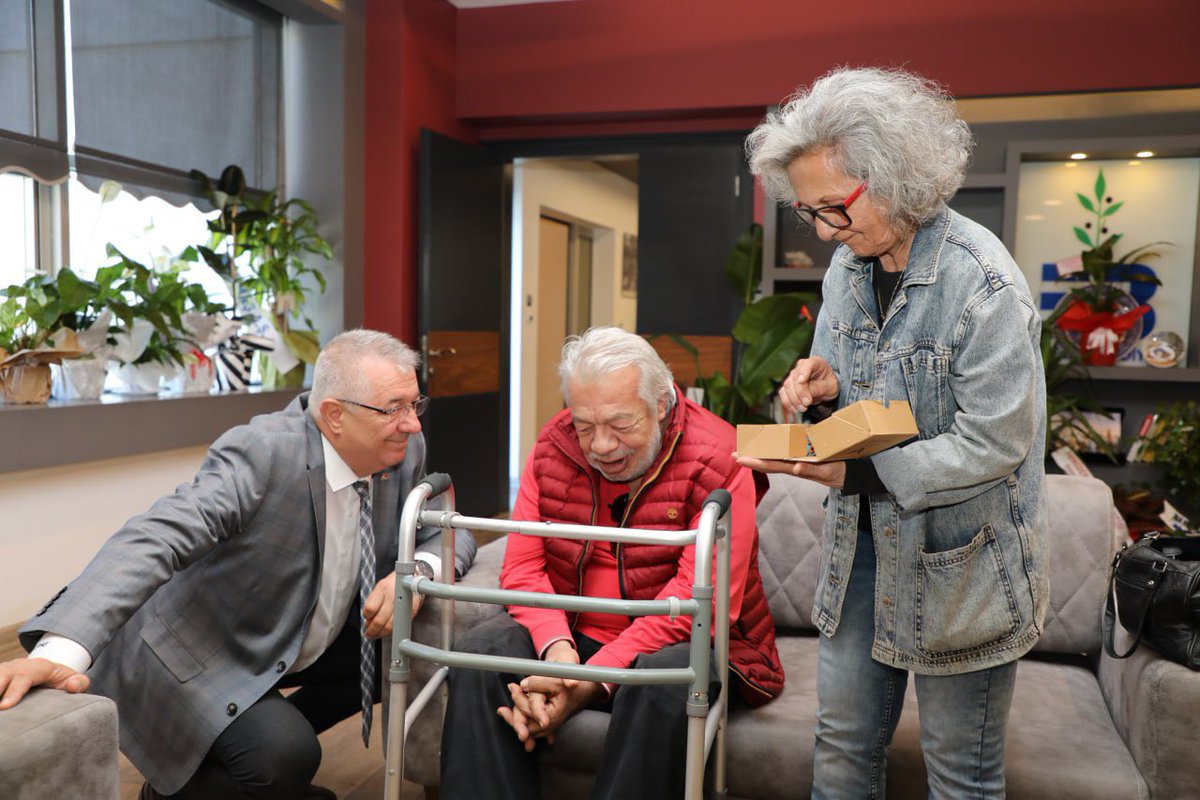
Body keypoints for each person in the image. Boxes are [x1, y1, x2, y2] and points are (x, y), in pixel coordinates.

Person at [741, 67, 1048, 799]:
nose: (821, 232)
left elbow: (993, 444)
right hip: (861, 555)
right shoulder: (845, 273)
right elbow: (867, 399)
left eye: (832, 209)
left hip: (961, 567)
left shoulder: (987, 287)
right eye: (807, 212)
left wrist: (859, 475)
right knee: (842, 753)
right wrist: (821, 391)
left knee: (962, 777)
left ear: (896, 178)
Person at [0, 329, 476, 800]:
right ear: (334, 416)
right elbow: (155, 536)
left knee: (403, 648)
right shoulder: (263, 452)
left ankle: (237, 758)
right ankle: (191, 786)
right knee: (286, 758)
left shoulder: (402, 449)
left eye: (415, 404)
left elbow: (449, 530)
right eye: (394, 409)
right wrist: (54, 655)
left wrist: (415, 574)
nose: (413, 424)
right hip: (201, 645)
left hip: (292, 629)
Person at [440, 326, 784, 800]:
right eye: (584, 426)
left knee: (662, 685)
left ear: (661, 405)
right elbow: (522, 566)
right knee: (479, 654)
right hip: (572, 630)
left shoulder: (721, 457)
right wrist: (559, 653)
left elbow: (697, 605)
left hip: (679, 636)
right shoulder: (552, 445)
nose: (600, 445)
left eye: (620, 425)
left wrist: (589, 680)